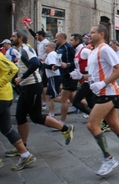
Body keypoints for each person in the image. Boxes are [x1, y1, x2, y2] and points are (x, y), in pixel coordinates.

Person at [70, 24, 119, 176]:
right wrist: (81, 77)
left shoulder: (105, 49)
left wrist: (104, 83)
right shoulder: (93, 52)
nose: (89, 35)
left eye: (92, 32)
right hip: (101, 93)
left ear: (102, 34)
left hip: (108, 93)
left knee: (92, 124)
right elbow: (95, 74)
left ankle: (108, 158)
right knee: (115, 125)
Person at [5, 30, 74, 159]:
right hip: (26, 87)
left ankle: (65, 129)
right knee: (20, 116)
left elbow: (36, 63)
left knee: (36, 117)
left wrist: (22, 77)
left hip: (32, 86)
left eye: (13, 36)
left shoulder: (26, 49)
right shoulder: (20, 50)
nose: (11, 38)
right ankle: (22, 147)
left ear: (20, 38)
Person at [0, 52, 36, 171]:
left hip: (2, 96)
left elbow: (12, 68)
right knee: (5, 127)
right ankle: (25, 155)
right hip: (4, 96)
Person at [53, 32, 77, 124]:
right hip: (63, 75)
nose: (55, 39)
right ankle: (92, 111)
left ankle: (61, 122)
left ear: (62, 37)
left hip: (70, 76)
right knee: (74, 100)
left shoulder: (68, 48)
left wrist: (67, 65)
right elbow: (60, 61)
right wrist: (57, 66)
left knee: (63, 99)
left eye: (56, 37)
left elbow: (76, 62)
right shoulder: (59, 48)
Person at [42, 42, 62, 118]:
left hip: (54, 77)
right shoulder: (52, 54)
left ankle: (69, 101)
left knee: (54, 97)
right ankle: (51, 114)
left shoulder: (51, 54)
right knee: (48, 96)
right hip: (52, 77)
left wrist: (43, 64)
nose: (45, 47)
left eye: (46, 46)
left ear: (51, 47)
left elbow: (53, 66)